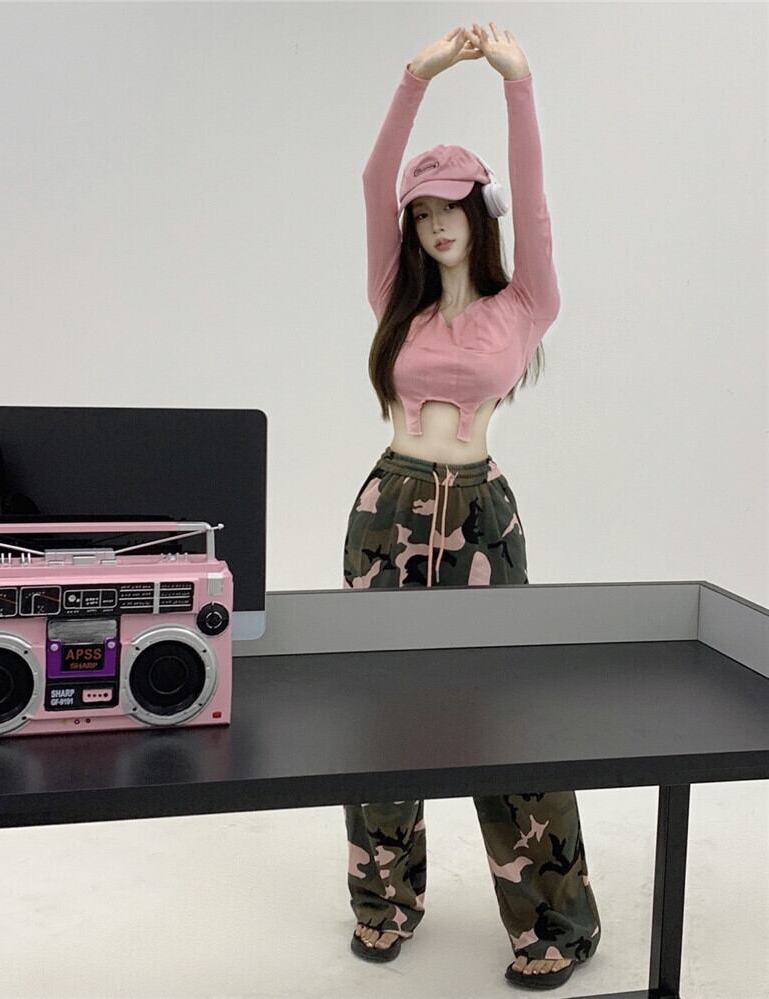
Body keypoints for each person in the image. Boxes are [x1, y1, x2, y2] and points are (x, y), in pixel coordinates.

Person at [341, 22, 601, 990]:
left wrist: (515, 83)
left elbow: (533, 200)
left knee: (507, 717)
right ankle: (385, 901)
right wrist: (416, 75)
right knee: (379, 712)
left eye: (451, 205)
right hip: (389, 509)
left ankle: (554, 921)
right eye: (422, 212)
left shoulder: (525, 303)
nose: (435, 223)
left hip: (484, 517)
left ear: (476, 212)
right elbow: (372, 179)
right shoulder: (394, 300)